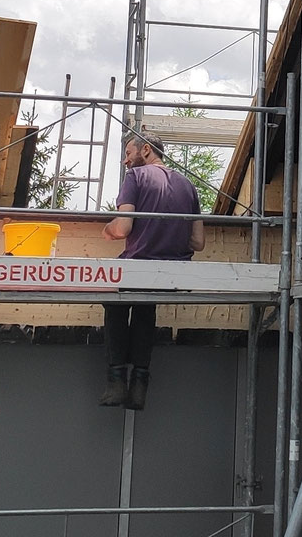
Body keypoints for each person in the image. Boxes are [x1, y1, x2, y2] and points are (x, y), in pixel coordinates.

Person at [98, 131, 203, 411]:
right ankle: (139, 383)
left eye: (128, 153)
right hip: (174, 271)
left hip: (141, 263)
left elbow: (123, 228)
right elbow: (198, 242)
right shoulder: (189, 186)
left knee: (114, 302)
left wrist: (108, 229)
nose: (125, 161)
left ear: (145, 150)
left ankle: (117, 380)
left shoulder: (135, 177)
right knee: (145, 307)